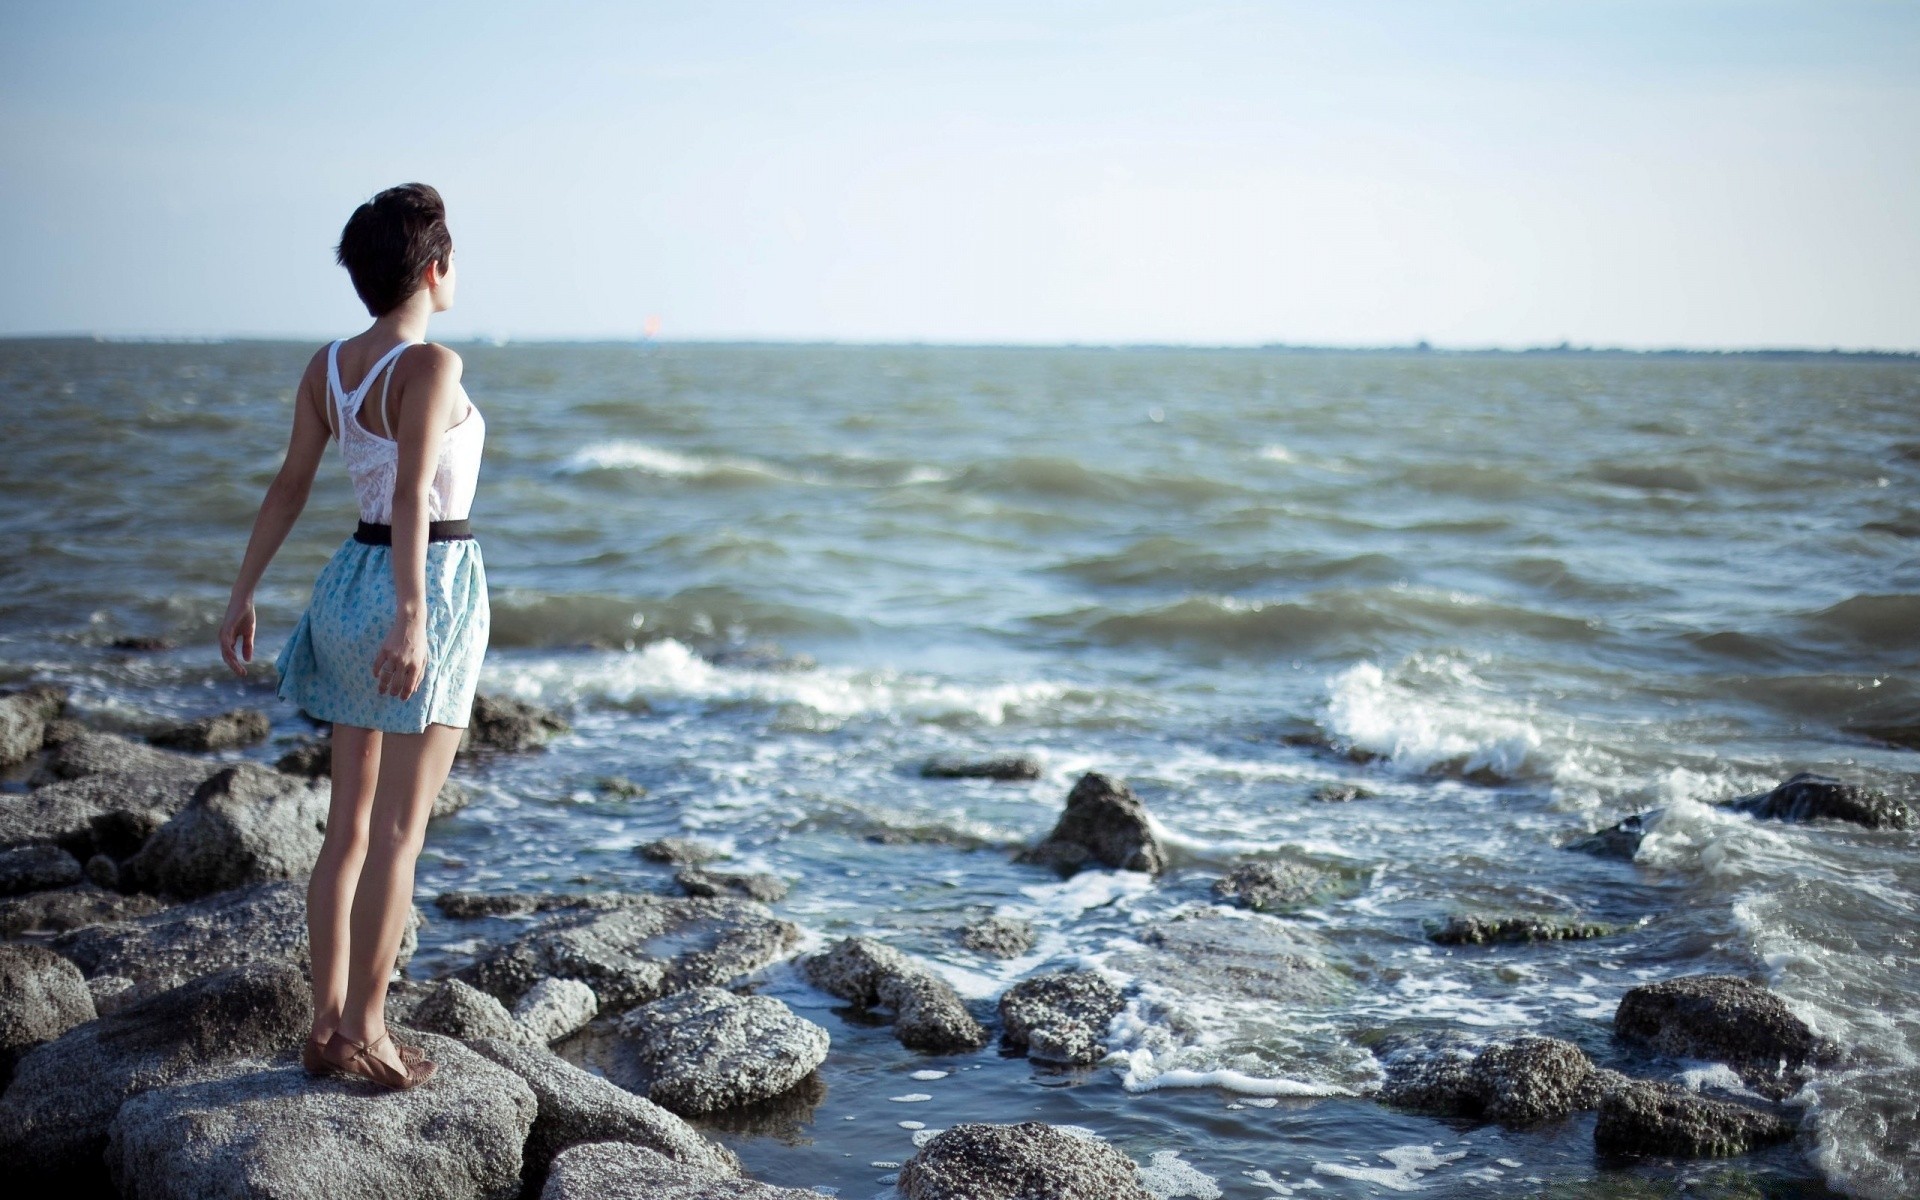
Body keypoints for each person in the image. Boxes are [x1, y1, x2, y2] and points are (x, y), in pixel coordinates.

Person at [217, 183, 488, 1090]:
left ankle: (324, 1025)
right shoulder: (432, 365)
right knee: (401, 834)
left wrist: (243, 592)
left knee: (348, 832)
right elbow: (415, 495)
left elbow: (290, 486)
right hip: (425, 584)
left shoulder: (329, 365)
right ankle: (367, 1034)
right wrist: (415, 615)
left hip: (345, 585)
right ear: (434, 268)